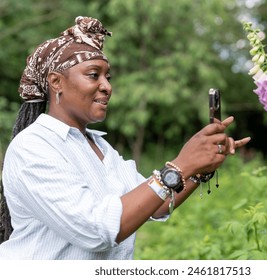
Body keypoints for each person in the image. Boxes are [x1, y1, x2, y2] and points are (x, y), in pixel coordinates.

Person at [0, 16, 250, 260]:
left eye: (107, 77)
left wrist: (199, 168)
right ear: (56, 82)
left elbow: (157, 202)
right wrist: (181, 165)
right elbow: (97, 229)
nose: (107, 86)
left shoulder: (100, 146)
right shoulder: (32, 147)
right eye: (93, 75)